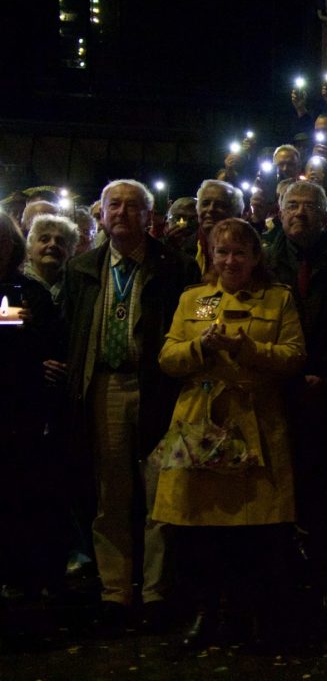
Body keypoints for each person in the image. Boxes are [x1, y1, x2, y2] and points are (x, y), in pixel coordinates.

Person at [154, 218, 306, 648]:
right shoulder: (194, 299)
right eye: (222, 252)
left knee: (253, 531)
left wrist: (246, 349)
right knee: (200, 529)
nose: (230, 260)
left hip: (256, 422)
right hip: (200, 423)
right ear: (210, 256)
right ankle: (206, 612)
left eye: (240, 252)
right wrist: (201, 346)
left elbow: (294, 356)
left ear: (256, 257)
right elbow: (167, 356)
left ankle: (249, 613)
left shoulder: (278, 300)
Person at [61, 179, 200, 631]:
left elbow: (196, 322)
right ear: (100, 213)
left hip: (158, 389)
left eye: (132, 206)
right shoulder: (82, 268)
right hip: (103, 385)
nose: (121, 213)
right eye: (112, 205)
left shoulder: (176, 267)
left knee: (160, 492)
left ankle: (158, 591)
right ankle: (115, 592)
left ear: (149, 215)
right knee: (111, 494)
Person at [0, 213, 66, 620]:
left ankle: (22, 581)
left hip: (19, 413)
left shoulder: (30, 293)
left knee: (17, 498)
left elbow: (45, 342)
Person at [23, 213, 79, 303]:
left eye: (60, 241)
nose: (53, 244)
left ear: (70, 252)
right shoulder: (16, 284)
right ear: (29, 249)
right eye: (44, 239)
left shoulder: (77, 287)